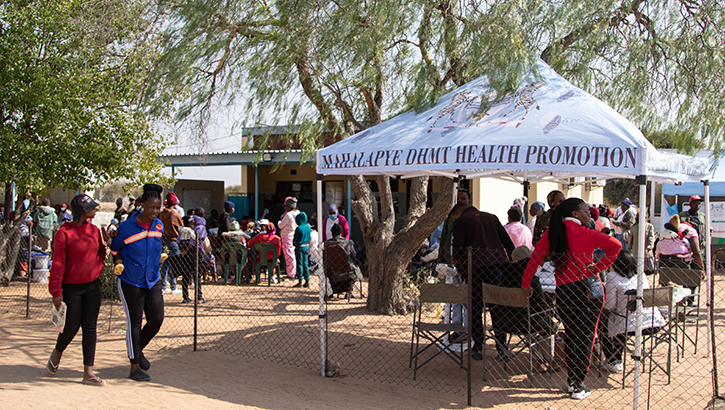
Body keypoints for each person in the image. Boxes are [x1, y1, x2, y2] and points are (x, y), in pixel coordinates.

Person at [522, 198, 622, 400]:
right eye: (586, 211)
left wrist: (526, 284)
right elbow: (616, 246)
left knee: (572, 335)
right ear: (575, 214)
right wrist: (598, 267)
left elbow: (535, 259)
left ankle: (572, 381)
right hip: (587, 290)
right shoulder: (588, 233)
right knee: (586, 337)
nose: (590, 215)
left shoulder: (553, 233)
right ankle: (578, 383)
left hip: (565, 291)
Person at [46, 194, 106, 386]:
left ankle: (88, 372)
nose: (95, 210)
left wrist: (98, 266)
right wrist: (56, 291)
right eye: (92, 207)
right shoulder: (64, 232)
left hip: (92, 286)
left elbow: (101, 252)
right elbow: (58, 262)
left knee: (90, 328)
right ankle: (57, 351)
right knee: (71, 326)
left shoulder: (94, 230)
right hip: (71, 288)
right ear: (82, 211)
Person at [110, 184, 166, 382]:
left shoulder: (159, 225)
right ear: (142, 205)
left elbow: (157, 247)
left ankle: (138, 349)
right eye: (151, 208)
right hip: (131, 281)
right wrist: (118, 263)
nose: (154, 211)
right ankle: (134, 367)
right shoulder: (126, 228)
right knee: (135, 321)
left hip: (152, 279)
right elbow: (115, 251)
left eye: (157, 208)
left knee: (157, 319)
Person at [452, 202, 515, 362]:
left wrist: (457, 259)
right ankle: (502, 346)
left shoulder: (461, 221)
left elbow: (458, 247)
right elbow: (508, 243)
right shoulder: (492, 218)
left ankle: (478, 345)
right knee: (497, 307)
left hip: (475, 268)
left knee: (475, 308)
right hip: (497, 267)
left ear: (459, 212)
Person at [601, 250, 665, 373]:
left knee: (604, 323)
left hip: (628, 323)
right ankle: (615, 358)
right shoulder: (641, 275)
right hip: (652, 321)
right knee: (619, 323)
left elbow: (610, 305)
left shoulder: (613, 277)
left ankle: (613, 360)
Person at [656, 215, 705, 305]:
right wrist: (702, 269)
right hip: (681, 262)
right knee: (691, 278)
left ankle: (665, 308)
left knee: (666, 284)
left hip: (664, 262)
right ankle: (685, 303)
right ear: (694, 225)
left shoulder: (669, 230)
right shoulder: (692, 230)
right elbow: (697, 252)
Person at [176, 216, 205, 302]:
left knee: (185, 276)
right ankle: (199, 296)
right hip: (193, 253)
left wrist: (182, 251)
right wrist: (186, 250)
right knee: (197, 276)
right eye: (191, 223)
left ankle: (185, 297)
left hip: (185, 255)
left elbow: (178, 241)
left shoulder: (181, 231)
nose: (193, 224)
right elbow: (193, 242)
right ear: (188, 223)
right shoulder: (191, 231)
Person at [159, 193, 183, 295]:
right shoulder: (175, 215)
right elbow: (181, 228)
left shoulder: (160, 214)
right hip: (173, 241)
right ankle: (173, 286)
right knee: (174, 264)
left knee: (165, 264)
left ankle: (164, 286)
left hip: (163, 240)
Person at [278, 197, 300, 279]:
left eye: (286, 206)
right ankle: (292, 271)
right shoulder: (297, 213)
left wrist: (279, 221)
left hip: (287, 237)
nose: (285, 207)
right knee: (292, 254)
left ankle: (291, 274)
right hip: (293, 236)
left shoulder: (288, 215)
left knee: (289, 255)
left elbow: (281, 225)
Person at [628, 210, 656, 275]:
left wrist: (650, 246)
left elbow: (651, 237)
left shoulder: (649, 226)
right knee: (636, 270)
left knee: (647, 270)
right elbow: (631, 240)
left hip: (646, 251)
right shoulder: (633, 227)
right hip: (636, 251)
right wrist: (629, 249)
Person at [293, 211, 311, 288]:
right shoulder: (308, 227)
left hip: (299, 247)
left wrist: (294, 243)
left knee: (299, 264)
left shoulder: (298, 228)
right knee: (305, 264)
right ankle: (307, 281)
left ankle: (300, 281)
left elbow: (295, 238)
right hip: (306, 246)